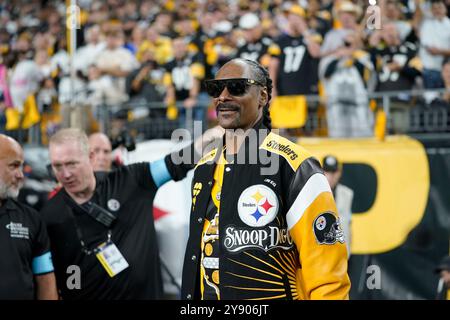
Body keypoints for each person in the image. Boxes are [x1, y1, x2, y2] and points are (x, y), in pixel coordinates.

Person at [181, 58, 350, 300]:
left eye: (236, 87)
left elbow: (328, 269)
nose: (223, 96)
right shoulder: (204, 167)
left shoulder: (295, 164)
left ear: (263, 96)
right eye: (216, 89)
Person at [40, 128, 196, 299]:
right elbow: (52, 278)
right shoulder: (50, 215)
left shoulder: (130, 180)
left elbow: (177, 163)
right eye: (57, 166)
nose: (66, 174)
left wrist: (218, 136)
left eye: (71, 164)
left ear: (89, 157)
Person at [0, 134, 58, 300]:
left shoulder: (30, 219)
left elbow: (45, 277)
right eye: (14, 166)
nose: (21, 175)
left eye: (21, 166)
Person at [322, 155, 353, 257]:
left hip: (341, 253)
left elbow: (347, 224)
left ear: (339, 173)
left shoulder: (347, 194)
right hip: (321, 251)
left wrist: (347, 251)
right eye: (327, 171)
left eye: (333, 172)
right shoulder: (315, 193)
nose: (330, 176)